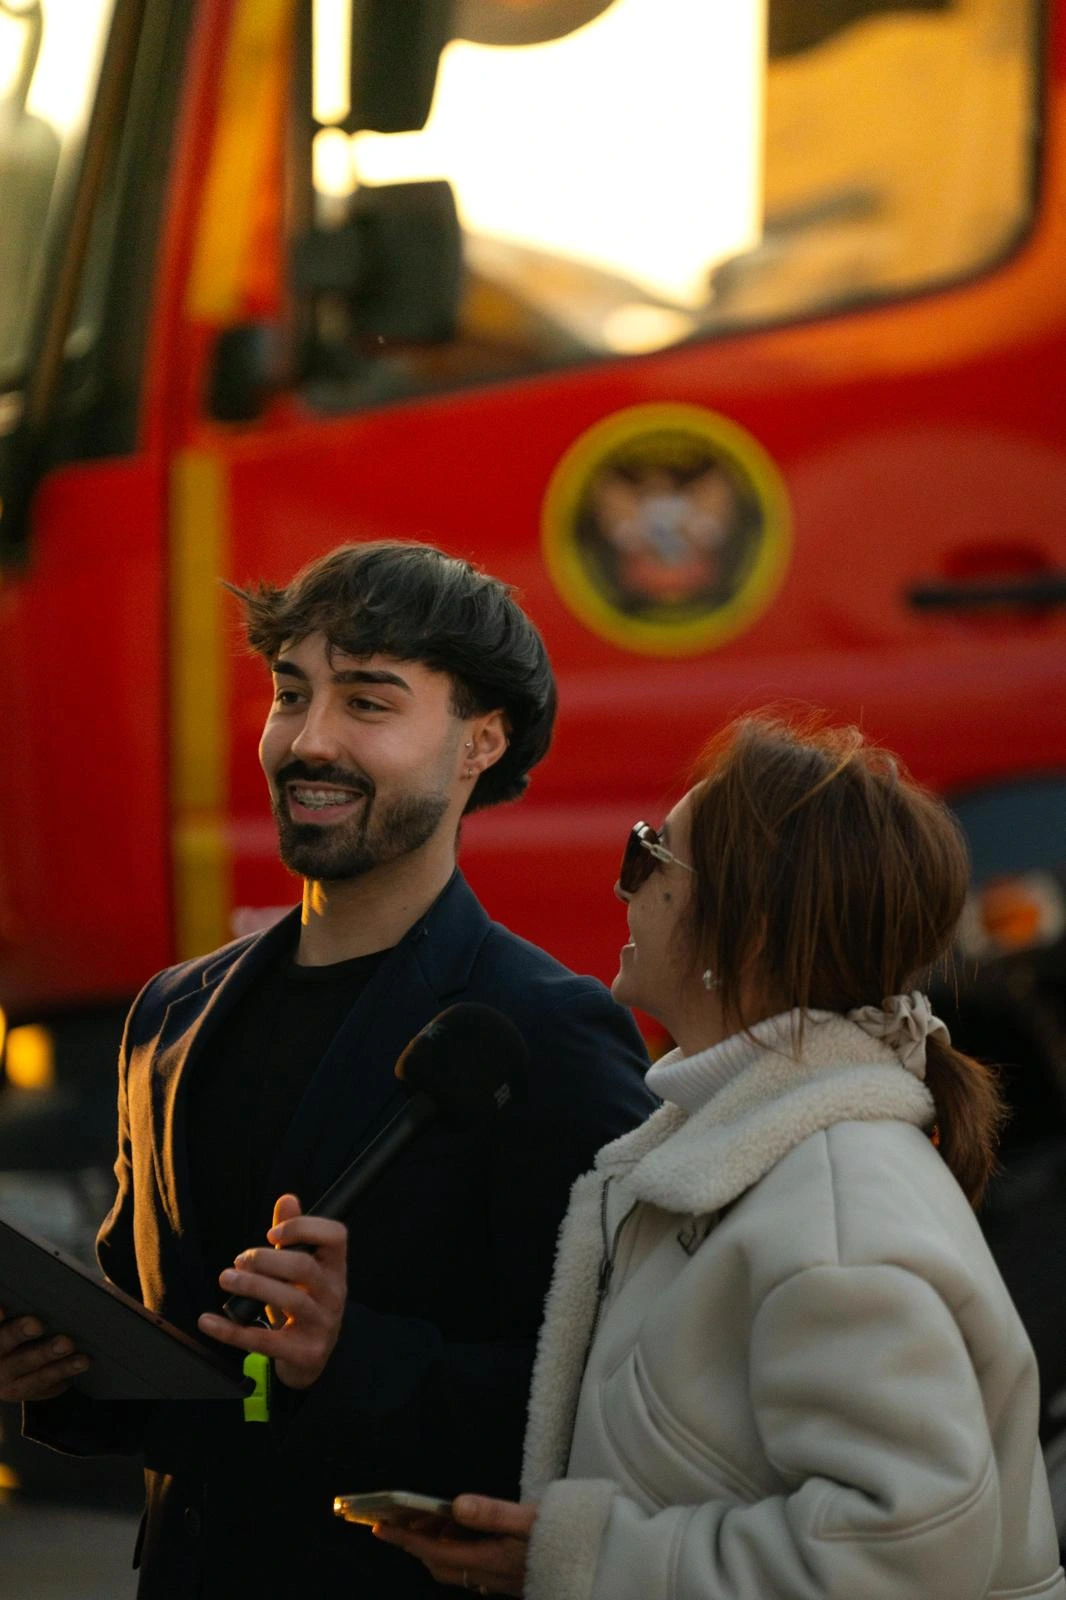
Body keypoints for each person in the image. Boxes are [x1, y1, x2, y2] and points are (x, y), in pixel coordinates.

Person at [0, 540, 655, 1598]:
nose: (308, 741)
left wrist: (352, 1356)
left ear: (479, 740)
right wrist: (66, 1377)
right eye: (290, 693)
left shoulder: (545, 1030)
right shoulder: (170, 1015)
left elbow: (618, 1393)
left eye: (367, 702)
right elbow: (207, 1377)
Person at [379, 713, 1066, 1599]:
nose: (624, 886)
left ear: (746, 930)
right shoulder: (744, 1158)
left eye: (648, 858)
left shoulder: (830, 1209)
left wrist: (588, 1560)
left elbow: (908, 1550)